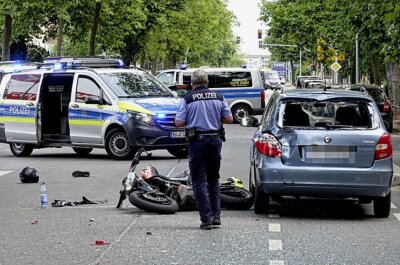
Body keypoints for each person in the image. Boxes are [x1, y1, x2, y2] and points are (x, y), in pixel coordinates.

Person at [175, 69, 233, 230]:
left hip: (197, 142)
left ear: (192, 83)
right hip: (215, 141)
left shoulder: (187, 99)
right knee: (213, 179)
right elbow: (229, 118)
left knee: (199, 181)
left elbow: (179, 122)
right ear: (207, 82)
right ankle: (216, 217)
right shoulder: (218, 97)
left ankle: (206, 219)